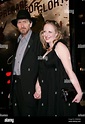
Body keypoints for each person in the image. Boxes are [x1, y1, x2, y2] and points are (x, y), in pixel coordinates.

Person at [35, 20, 83, 117]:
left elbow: (69, 71)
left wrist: (79, 92)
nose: (46, 34)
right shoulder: (46, 50)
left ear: (56, 34)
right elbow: (41, 71)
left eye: (50, 32)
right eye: (44, 31)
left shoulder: (60, 46)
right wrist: (38, 86)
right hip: (47, 93)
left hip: (57, 94)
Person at [9, 9, 43, 116]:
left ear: (31, 23)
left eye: (25, 21)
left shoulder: (38, 39)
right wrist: (11, 90)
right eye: (19, 22)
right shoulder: (17, 41)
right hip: (16, 85)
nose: (22, 25)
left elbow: (42, 64)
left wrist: (39, 84)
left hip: (30, 85)